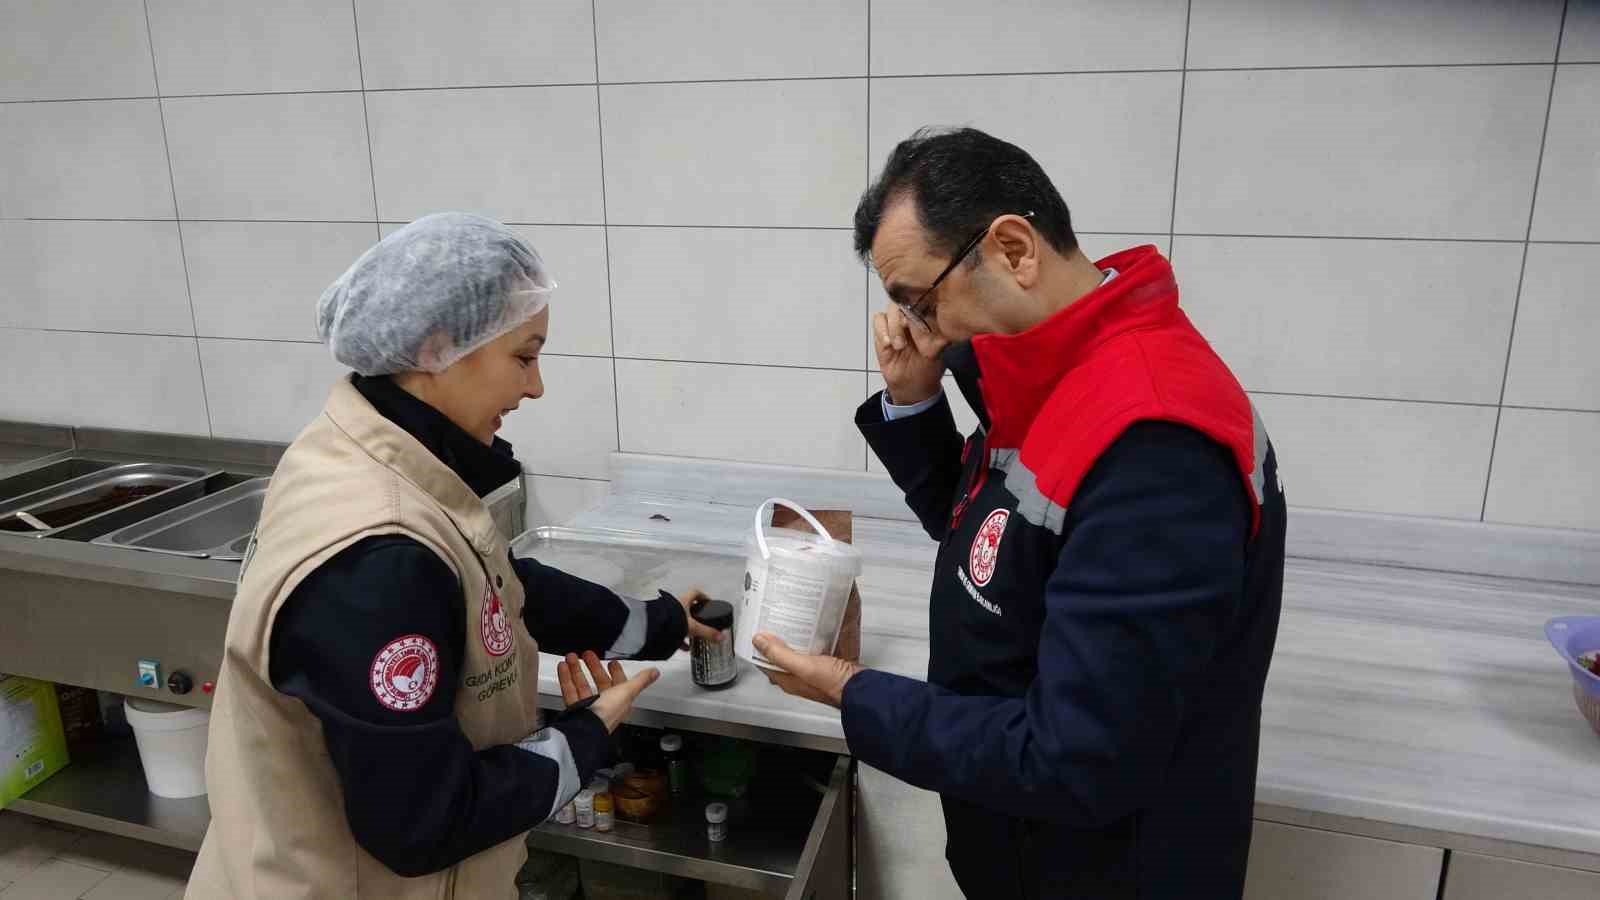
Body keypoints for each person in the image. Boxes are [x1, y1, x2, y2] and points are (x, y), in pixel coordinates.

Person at [754, 128, 1288, 898]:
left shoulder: (1154, 445)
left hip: (1104, 873)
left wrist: (852, 690)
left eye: (923, 301)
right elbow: (998, 555)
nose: (923, 331)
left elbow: (1077, 759)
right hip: (1022, 847)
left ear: (1012, 249)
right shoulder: (1054, 369)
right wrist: (915, 402)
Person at [186, 213, 720, 899]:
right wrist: (588, 734)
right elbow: (426, 823)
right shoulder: (379, 555)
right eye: (525, 356)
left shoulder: (360, 447)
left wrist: (658, 624)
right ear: (440, 347)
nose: (536, 387)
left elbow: (490, 582)